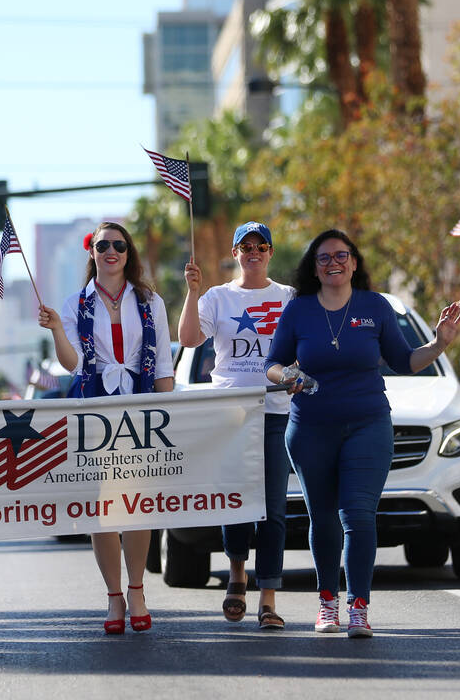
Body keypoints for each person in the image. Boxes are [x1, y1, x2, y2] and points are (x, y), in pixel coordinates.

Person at [264, 229, 460, 638]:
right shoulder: (299, 309)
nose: (333, 263)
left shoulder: (374, 307)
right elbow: (273, 364)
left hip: (368, 424)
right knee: (322, 518)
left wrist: (439, 344)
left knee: (357, 515)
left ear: (354, 263)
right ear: (313, 267)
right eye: (324, 258)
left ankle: (358, 607)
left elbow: (405, 360)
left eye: (341, 255)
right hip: (310, 429)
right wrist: (287, 375)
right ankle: (326, 603)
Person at [38, 222, 174, 635]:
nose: (111, 251)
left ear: (128, 253)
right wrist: (59, 331)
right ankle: (114, 596)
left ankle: (137, 591)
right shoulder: (74, 302)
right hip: (94, 413)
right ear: (92, 253)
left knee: (138, 505)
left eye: (118, 245)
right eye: (103, 245)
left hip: (141, 410)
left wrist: (171, 417)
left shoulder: (151, 301)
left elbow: (164, 366)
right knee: (102, 509)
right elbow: (72, 364)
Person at [177, 221, 294, 630]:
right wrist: (192, 292)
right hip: (231, 414)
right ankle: (237, 575)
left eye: (261, 245)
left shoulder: (288, 297)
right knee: (236, 502)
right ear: (235, 252)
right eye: (246, 246)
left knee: (275, 509)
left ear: (270, 253)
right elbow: (190, 339)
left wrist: (300, 378)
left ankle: (268, 598)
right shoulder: (218, 297)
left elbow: (305, 347)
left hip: (276, 411)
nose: (254, 252)